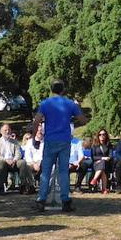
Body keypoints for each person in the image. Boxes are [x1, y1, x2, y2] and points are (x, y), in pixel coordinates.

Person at [32, 79, 88, 212]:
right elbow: (83, 120)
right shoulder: (70, 104)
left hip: (50, 140)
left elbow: (36, 121)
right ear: (63, 89)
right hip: (64, 140)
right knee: (64, 171)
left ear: (51, 89)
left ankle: (41, 200)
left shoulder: (45, 103)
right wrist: (76, 108)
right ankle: (65, 200)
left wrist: (35, 138)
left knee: (45, 172)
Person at [0, 123, 27, 194]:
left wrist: (14, 160)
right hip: (2, 161)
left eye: (9, 130)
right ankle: (1, 187)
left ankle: (23, 185)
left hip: (13, 161)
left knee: (22, 162)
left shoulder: (15, 142)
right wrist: (6, 160)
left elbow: (18, 153)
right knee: (1, 163)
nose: (7, 132)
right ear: (1, 132)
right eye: (5, 130)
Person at [88, 128, 114, 194]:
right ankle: (104, 189)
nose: (102, 136)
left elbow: (111, 155)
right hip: (96, 163)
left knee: (103, 165)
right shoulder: (94, 145)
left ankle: (94, 180)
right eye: (100, 134)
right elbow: (93, 157)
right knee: (102, 168)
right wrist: (102, 158)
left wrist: (105, 159)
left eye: (103, 134)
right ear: (98, 136)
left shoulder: (109, 145)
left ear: (106, 136)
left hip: (107, 164)